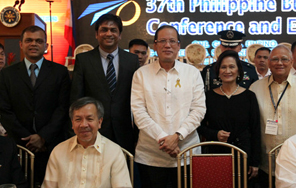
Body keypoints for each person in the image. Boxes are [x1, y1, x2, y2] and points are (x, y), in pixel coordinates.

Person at [131, 25, 206, 188]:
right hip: (150, 156)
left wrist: (177, 137)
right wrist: (164, 140)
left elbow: (199, 110)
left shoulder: (192, 73)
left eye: (172, 41)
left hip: (186, 152)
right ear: (155, 46)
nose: (167, 45)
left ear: (179, 46)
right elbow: (138, 112)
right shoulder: (141, 74)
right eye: (162, 41)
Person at [0, 25, 70, 185]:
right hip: (18, 146)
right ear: (21, 44)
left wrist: (43, 137)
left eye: (39, 41)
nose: (33, 44)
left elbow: (63, 108)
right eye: (29, 40)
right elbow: (4, 109)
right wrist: (28, 139)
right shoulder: (7, 74)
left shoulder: (60, 72)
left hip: (51, 146)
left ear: (45, 46)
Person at [249, 44, 296, 188]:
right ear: (268, 63)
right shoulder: (255, 88)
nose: (279, 63)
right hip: (265, 163)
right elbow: (251, 126)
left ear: (291, 62)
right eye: (274, 59)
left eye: (284, 59)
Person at [70, 13, 139, 154]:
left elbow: (138, 97)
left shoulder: (132, 60)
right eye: (104, 30)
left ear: (120, 35)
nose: (109, 33)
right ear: (97, 34)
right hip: (94, 131)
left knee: (123, 173)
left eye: (113, 30)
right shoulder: (84, 60)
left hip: (124, 132)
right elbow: (77, 98)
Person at [197, 50, 261, 187]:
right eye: (223, 67)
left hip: (244, 154)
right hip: (216, 153)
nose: (228, 71)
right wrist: (215, 134)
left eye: (232, 67)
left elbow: (256, 130)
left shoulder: (249, 96)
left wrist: (255, 162)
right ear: (218, 71)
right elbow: (198, 125)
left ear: (238, 71)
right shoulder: (208, 96)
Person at [42, 97, 132, 188]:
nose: (84, 125)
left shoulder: (114, 152)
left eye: (89, 119)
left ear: (99, 122)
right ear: (72, 123)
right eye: (78, 119)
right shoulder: (58, 151)